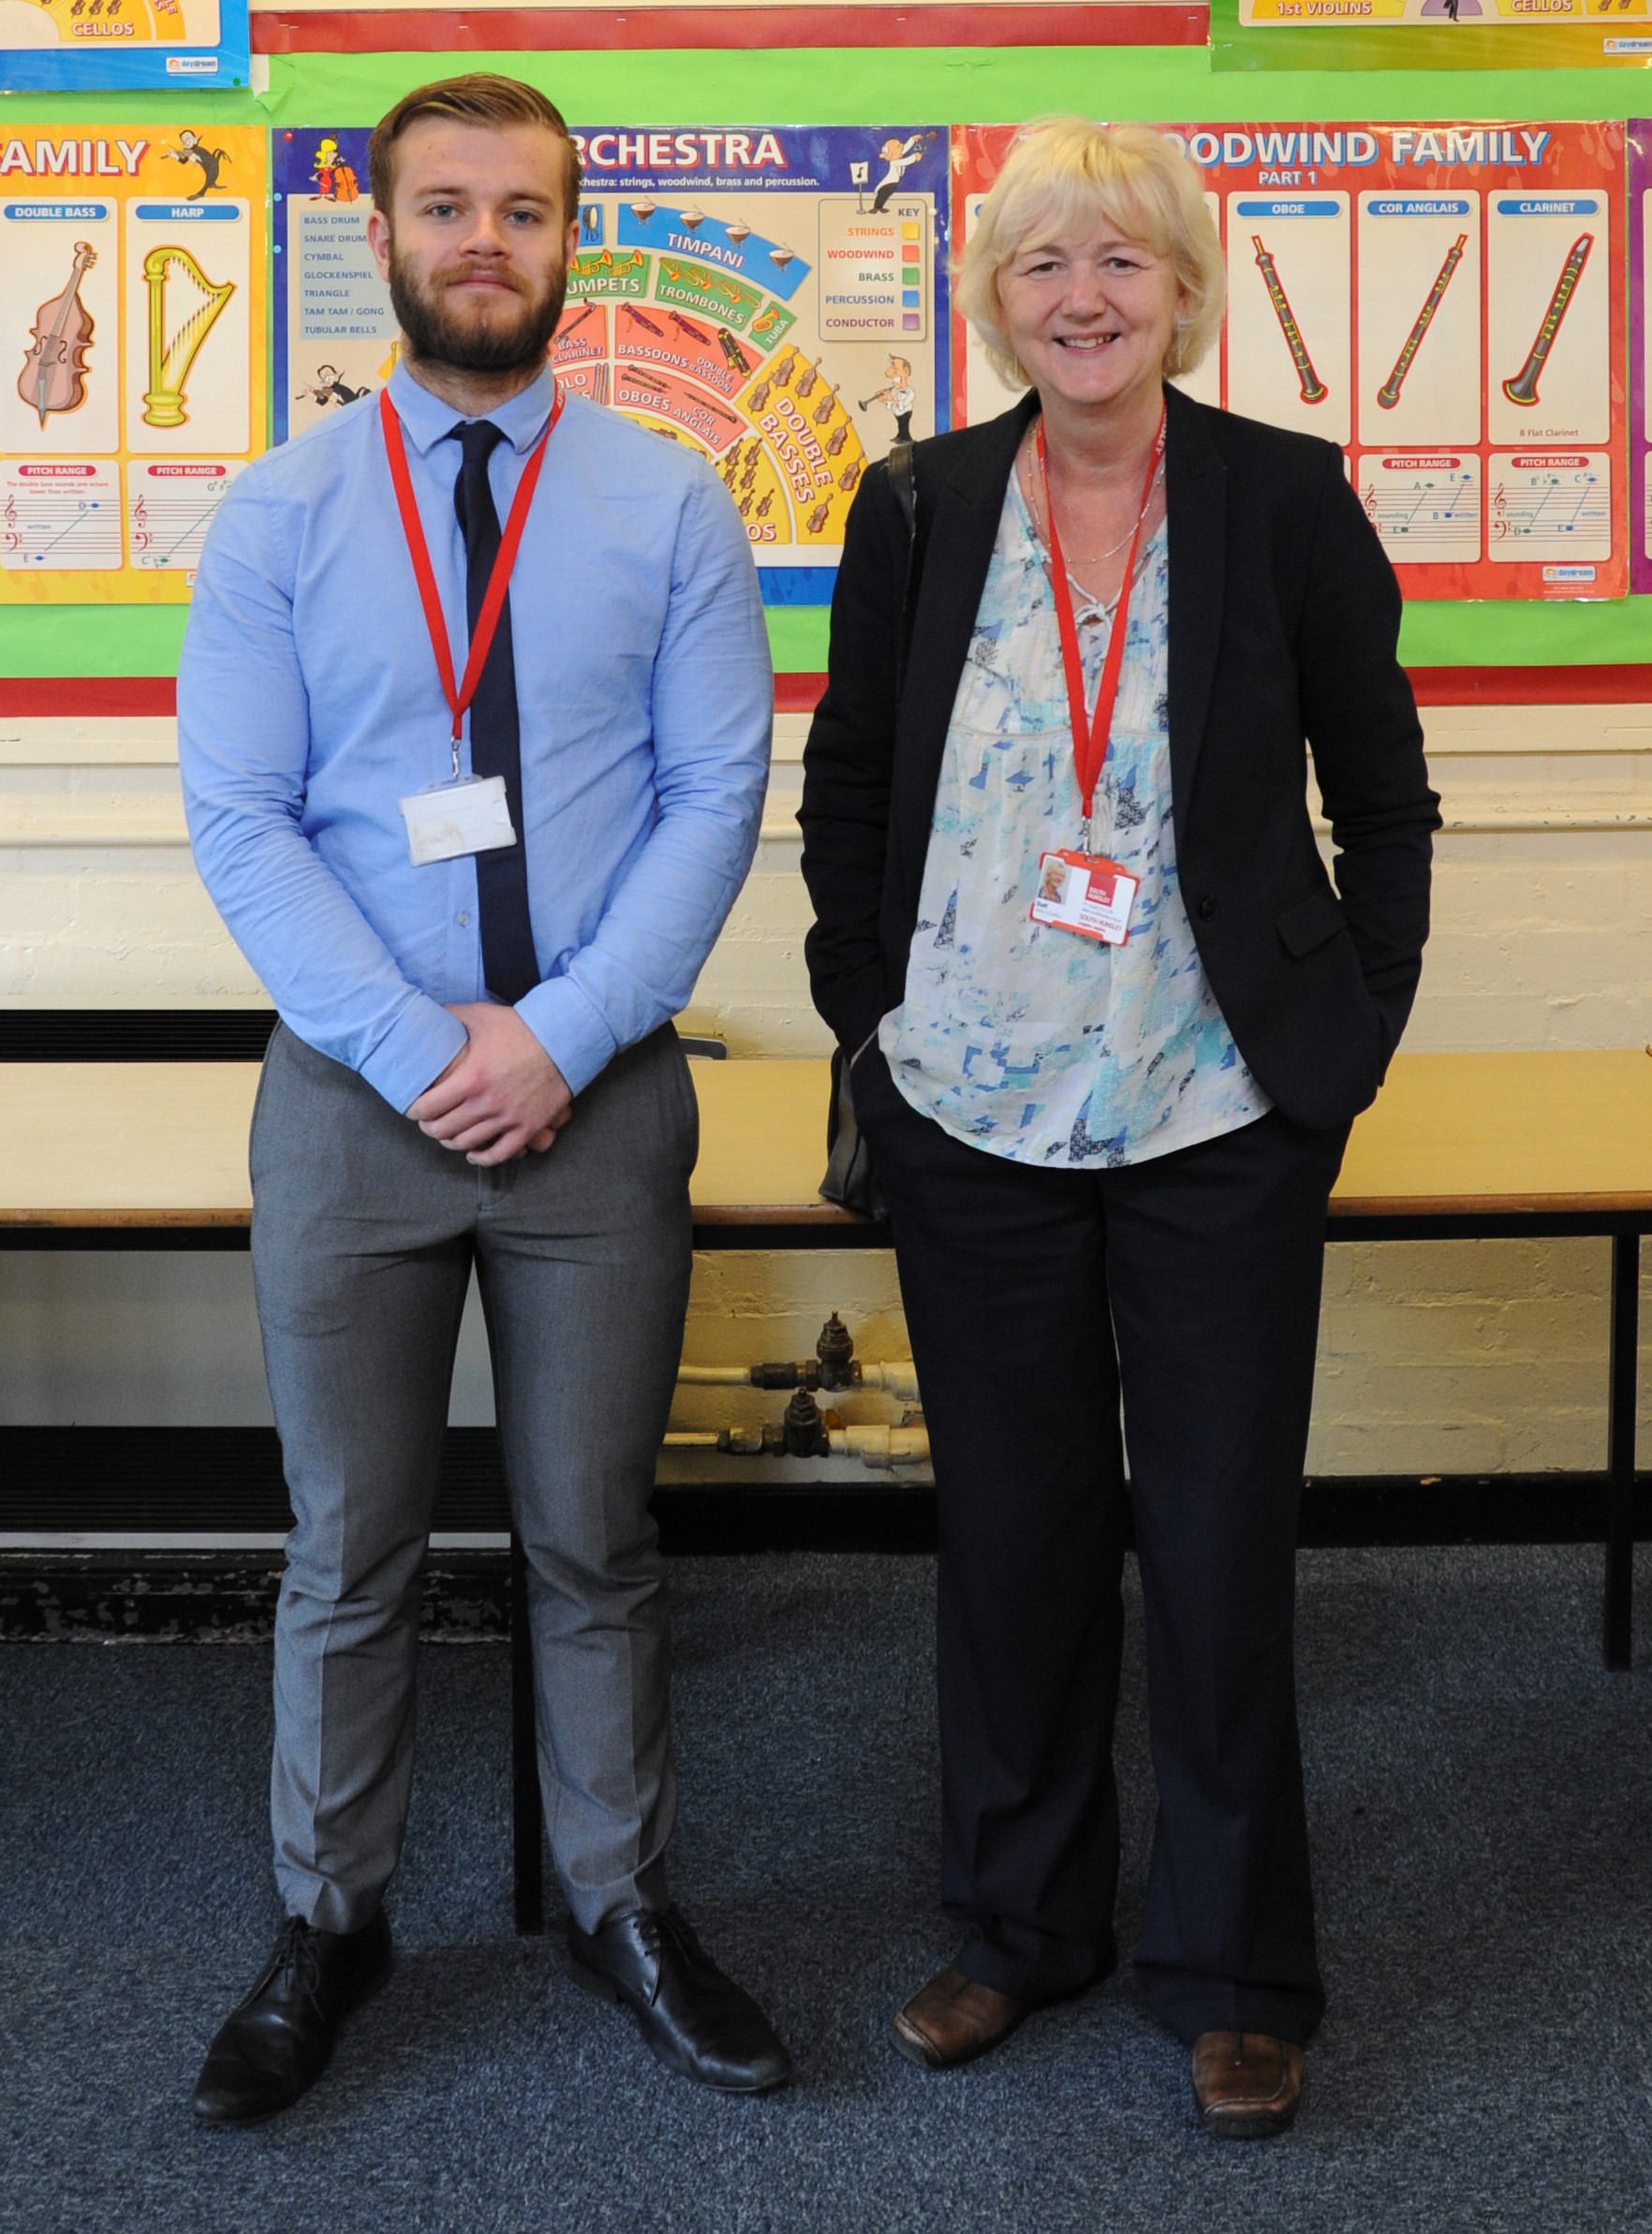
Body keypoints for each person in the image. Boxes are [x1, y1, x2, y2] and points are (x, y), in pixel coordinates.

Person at [799, 117, 1438, 2137]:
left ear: (1181, 288)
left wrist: (1348, 1038)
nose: (1082, 297)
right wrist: (868, 1013)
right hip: (971, 1103)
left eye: (1120, 260)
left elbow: (1385, 796)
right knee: (1014, 1536)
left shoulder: (1285, 497)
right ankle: (1021, 1923)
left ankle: (1236, 1967)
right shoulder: (917, 504)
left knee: (1223, 1545)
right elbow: (850, 781)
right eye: (1041, 264)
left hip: (1215, 1102)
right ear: (994, 302)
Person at [179, 71, 789, 2122]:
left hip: (593, 1096)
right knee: (348, 1545)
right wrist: (419, 1045)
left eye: (524, 209)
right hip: (355, 1101)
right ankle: (327, 1920)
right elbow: (243, 814)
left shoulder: (667, 504)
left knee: (593, 1539)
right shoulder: (280, 513)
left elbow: (716, 796)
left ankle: (624, 1901)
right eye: (445, 206)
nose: (484, 242)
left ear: (569, 236)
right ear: (381, 236)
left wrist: (563, 1032)